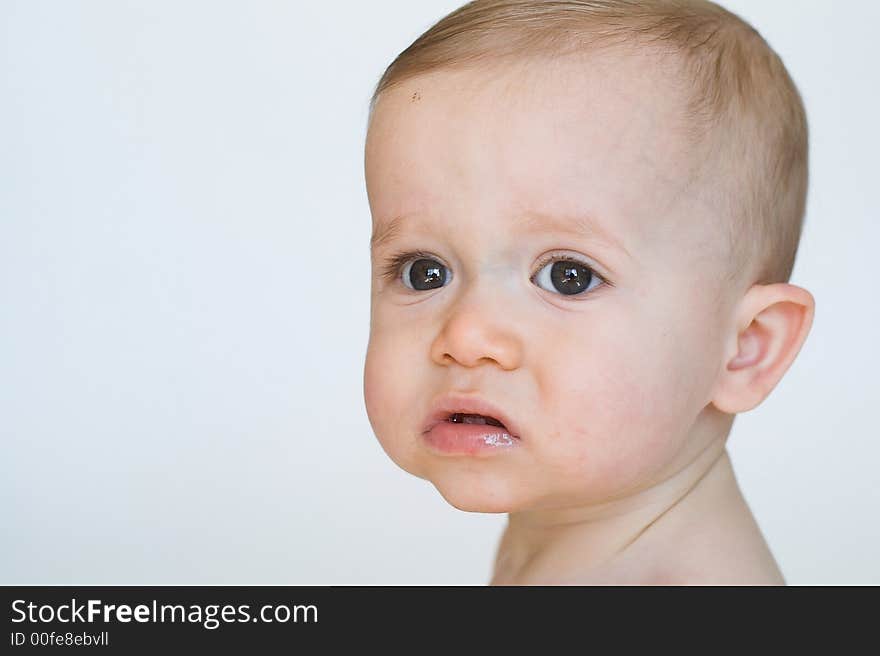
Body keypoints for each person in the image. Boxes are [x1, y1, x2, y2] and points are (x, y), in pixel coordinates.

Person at [362, 0, 814, 585]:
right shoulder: (578, 527)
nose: (467, 335)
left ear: (747, 347)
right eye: (426, 271)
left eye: (567, 277)